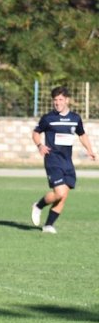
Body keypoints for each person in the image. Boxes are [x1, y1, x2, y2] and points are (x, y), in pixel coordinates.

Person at [30, 86, 96, 233]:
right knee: (59, 192)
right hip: (52, 160)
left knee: (63, 196)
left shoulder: (75, 119)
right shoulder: (48, 119)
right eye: (55, 100)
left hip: (67, 162)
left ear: (67, 100)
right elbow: (35, 133)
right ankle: (38, 206)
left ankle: (48, 225)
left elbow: (82, 134)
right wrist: (40, 145)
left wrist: (90, 150)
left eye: (60, 99)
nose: (57, 103)